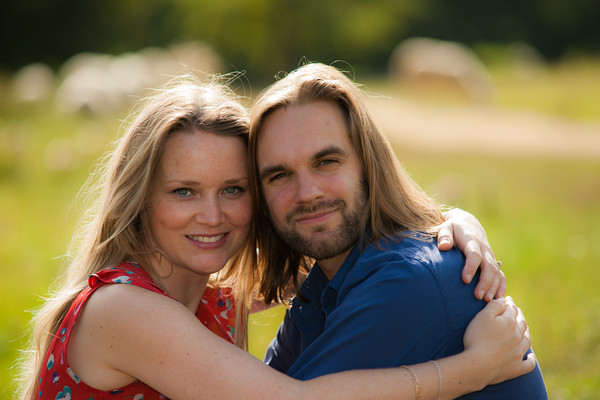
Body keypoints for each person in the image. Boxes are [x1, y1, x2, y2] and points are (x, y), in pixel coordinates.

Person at [16, 76, 534, 400]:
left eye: (234, 189)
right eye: (183, 191)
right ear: (139, 201)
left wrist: (458, 221)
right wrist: (470, 370)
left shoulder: (213, 298)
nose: (212, 215)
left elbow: (359, 249)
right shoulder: (125, 310)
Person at [248, 62, 548, 398]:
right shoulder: (323, 283)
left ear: (368, 162)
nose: (307, 193)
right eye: (279, 176)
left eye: (326, 162)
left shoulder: (406, 280)